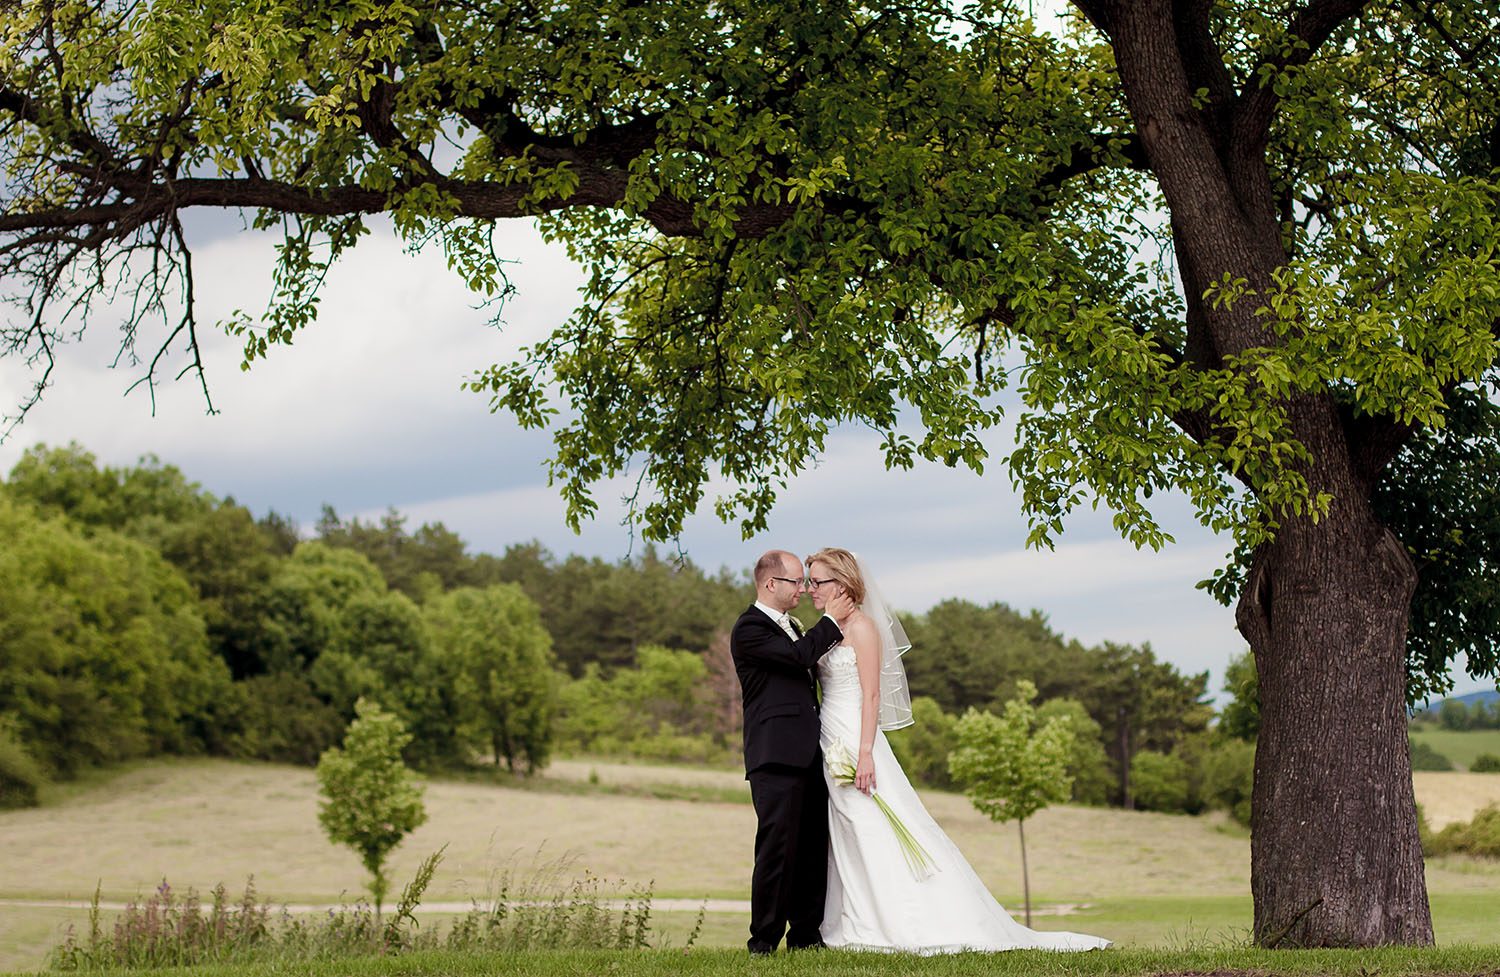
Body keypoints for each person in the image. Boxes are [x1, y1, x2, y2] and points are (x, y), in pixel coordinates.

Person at [804, 546, 1111, 953]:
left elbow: (873, 696)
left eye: (817, 581)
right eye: (808, 580)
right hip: (830, 735)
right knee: (846, 831)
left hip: (856, 740)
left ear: (841, 584)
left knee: (868, 826)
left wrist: (864, 753)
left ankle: (895, 922)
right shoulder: (825, 628)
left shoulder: (861, 629)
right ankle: (854, 918)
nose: (810, 588)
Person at [730, 549, 855, 955]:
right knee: (776, 851)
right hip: (775, 757)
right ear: (771, 584)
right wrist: (833, 620)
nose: (803, 588)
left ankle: (805, 937)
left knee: (811, 849)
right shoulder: (749, 629)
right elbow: (799, 658)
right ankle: (763, 941)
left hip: (809, 754)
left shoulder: (793, 626)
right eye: (796, 582)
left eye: (805, 582)